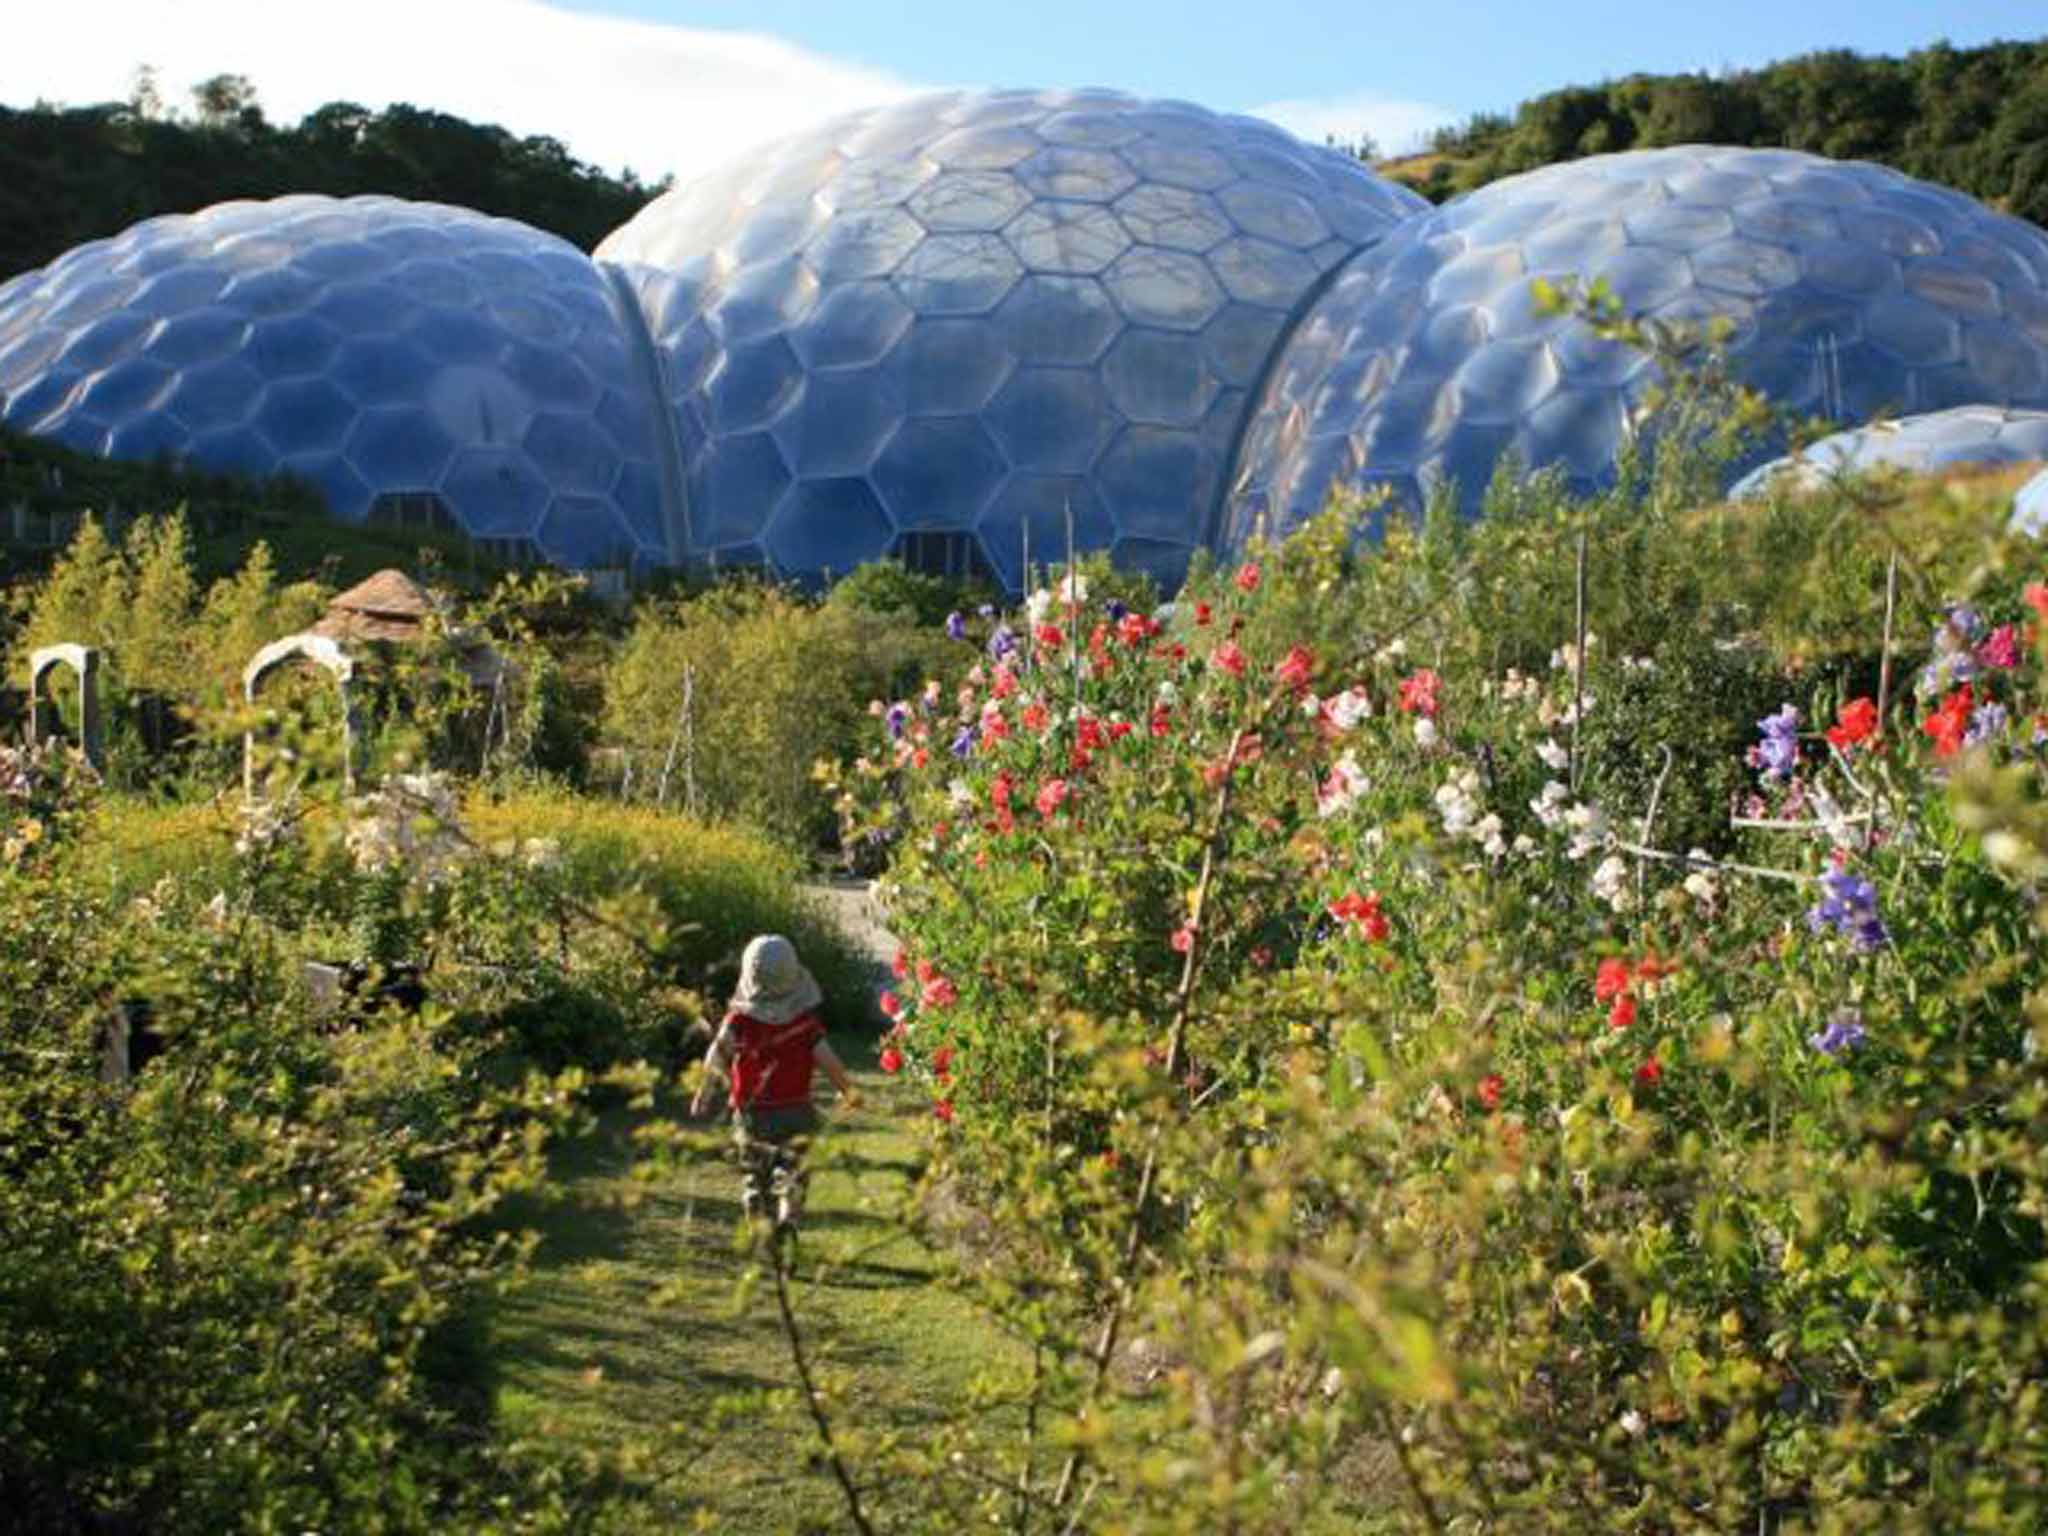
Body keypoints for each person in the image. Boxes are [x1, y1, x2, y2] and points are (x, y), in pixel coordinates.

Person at [689, 934, 856, 1238]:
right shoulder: (805, 1024)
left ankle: (754, 1198)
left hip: (750, 1113)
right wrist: (848, 1090)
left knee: (755, 1169)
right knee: (793, 1167)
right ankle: (788, 1214)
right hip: (795, 1109)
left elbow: (718, 1054)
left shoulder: (738, 1021)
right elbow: (827, 1059)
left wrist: (704, 1091)